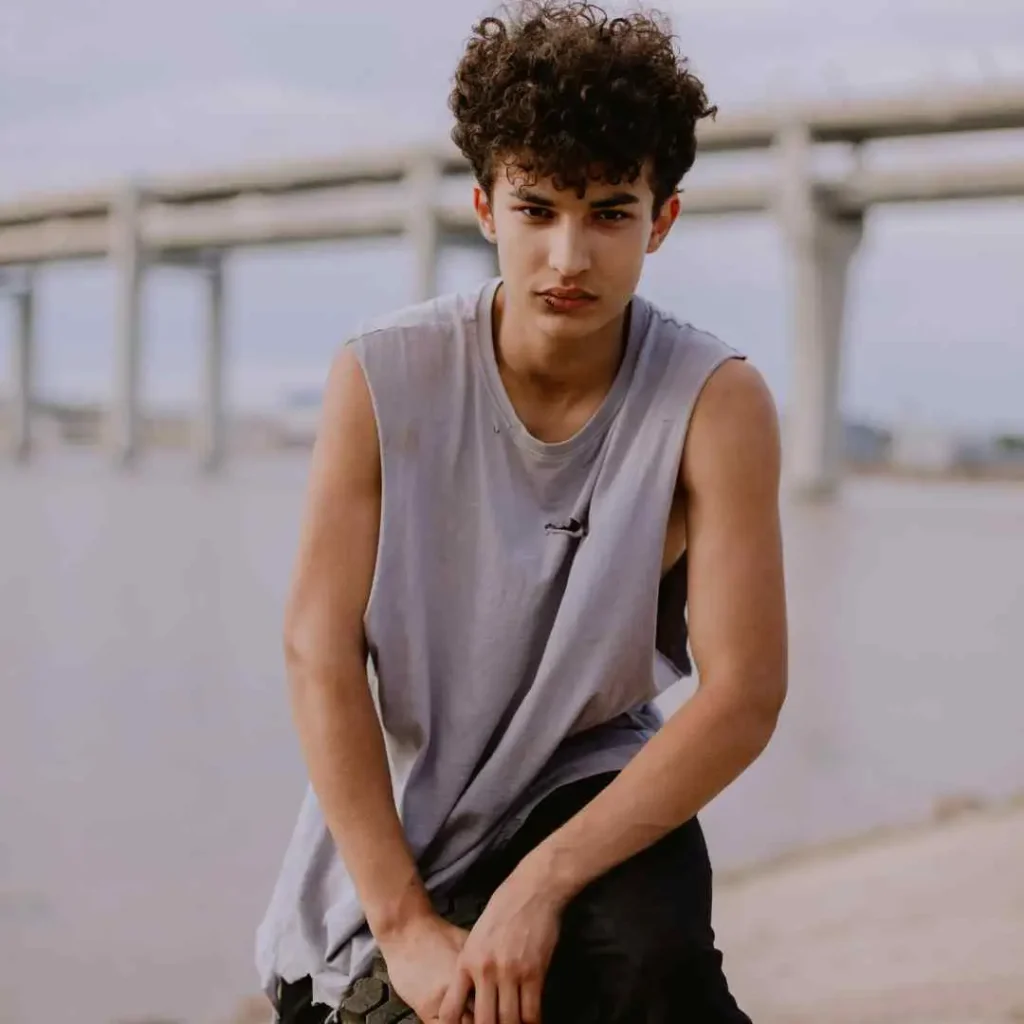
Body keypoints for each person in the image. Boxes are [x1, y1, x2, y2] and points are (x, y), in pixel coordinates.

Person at [257, 2, 788, 1021]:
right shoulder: (381, 377)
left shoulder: (714, 400)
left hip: (589, 781)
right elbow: (317, 651)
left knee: (653, 956)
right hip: (416, 806)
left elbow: (744, 694)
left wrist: (538, 884)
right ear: (483, 207)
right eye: (537, 208)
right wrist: (405, 925)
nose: (568, 257)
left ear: (661, 219)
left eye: (609, 212)